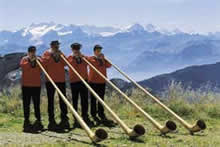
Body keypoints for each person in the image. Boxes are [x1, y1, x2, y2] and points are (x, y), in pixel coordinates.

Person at [41, 40, 69, 131]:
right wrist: (52, 56)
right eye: (55, 46)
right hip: (50, 80)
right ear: (51, 46)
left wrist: (60, 56)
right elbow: (44, 63)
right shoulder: (46, 53)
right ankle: (51, 121)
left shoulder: (61, 53)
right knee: (51, 101)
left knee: (63, 100)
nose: (57, 47)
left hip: (61, 79)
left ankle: (64, 119)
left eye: (58, 46)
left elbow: (66, 63)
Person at [67, 43, 94, 128]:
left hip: (84, 81)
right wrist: (76, 58)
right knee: (75, 100)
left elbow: (90, 62)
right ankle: (76, 118)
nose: (76, 50)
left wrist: (82, 58)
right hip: (74, 81)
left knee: (84, 99)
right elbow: (70, 65)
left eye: (78, 49)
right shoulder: (70, 58)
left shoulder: (84, 57)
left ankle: (85, 116)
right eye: (75, 49)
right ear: (72, 49)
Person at [20, 46, 43, 132]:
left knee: (36, 104)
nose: (32, 53)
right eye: (31, 52)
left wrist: (37, 60)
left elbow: (42, 67)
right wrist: (31, 61)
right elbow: (23, 67)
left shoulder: (39, 60)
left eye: (33, 51)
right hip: (26, 85)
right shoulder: (24, 59)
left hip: (36, 85)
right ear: (28, 52)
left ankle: (38, 121)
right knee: (26, 104)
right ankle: (26, 121)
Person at [87, 45, 113, 124]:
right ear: (94, 51)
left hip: (102, 81)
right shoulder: (91, 58)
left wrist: (104, 59)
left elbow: (109, 65)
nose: (99, 52)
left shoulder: (103, 59)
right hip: (93, 81)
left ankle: (101, 113)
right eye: (98, 51)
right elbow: (93, 65)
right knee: (93, 99)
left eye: (100, 51)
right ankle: (93, 114)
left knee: (101, 99)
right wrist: (98, 59)